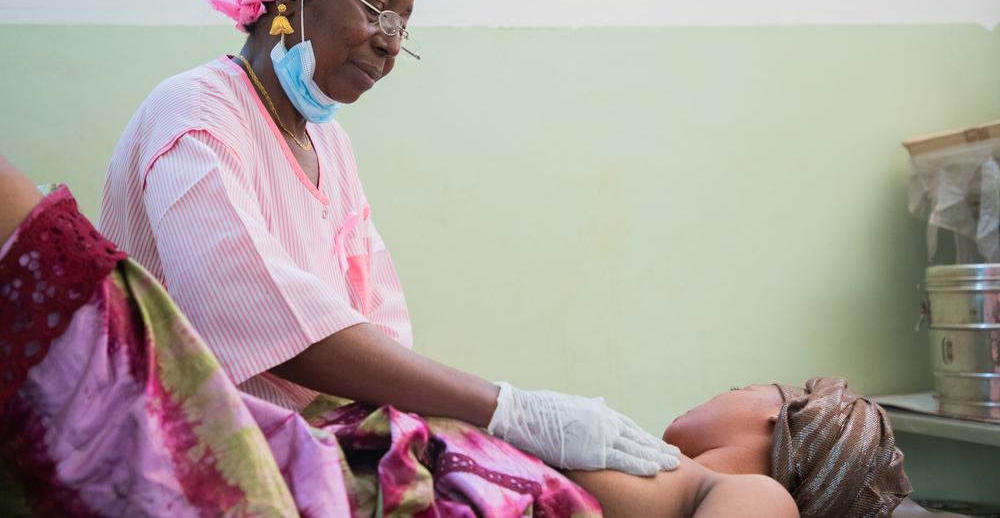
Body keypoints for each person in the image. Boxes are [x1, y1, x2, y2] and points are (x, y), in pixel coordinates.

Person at [97, 0, 677, 479]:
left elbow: (376, 330)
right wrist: (508, 410)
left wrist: (465, 425)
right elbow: (278, 325)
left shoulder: (329, 144)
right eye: (376, 8)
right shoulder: (195, 114)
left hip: (315, 436)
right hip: (192, 445)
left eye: (403, 25)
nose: (391, 42)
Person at [1, 157, 929, 517]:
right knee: (110, 349)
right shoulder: (207, 121)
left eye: (752, 383)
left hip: (376, 483)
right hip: (373, 460)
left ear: (780, 424)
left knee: (99, 330)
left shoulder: (756, 492)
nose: (725, 386)